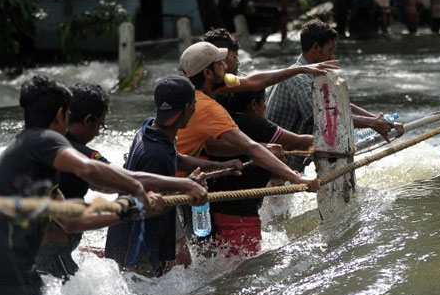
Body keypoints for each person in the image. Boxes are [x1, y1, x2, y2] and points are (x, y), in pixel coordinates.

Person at [0, 76, 201, 295]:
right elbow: (90, 170)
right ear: (61, 114)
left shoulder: (26, 155)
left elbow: (71, 221)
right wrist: (142, 188)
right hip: (4, 268)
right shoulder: (44, 140)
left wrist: (132, 210)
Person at [105, 75, 241, 277]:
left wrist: (219, 165)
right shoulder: (154, 155)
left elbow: (177, 158)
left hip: (138, 232)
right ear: (187, 109)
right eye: (194, 104)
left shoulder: (152, 128)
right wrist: (188, 187)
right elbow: (152, 204)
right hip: (138, 242)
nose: (195, 109)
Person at [175, 41, 320, 190]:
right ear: (208, 73)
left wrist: (299, 70)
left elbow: (254, 81)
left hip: (172, 174)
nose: (225, 66)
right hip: (170, 181)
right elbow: (251, 148)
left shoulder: (185, 90)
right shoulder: (208, 108)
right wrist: (297, 178)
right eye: (220, 64)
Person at [265, 19, 404, 172]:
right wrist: (372, 124)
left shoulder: (310, 75)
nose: (332, 56)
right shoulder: (299, 79)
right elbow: (324, 117)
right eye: (330, 50)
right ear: (316, 48)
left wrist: (378, 120)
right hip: (274, 167)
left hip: (289, 164)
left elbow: (339, 106)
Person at [209, 90, 313, 257]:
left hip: (214, 210)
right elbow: (300, 141)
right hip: (239, 216)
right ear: (254, 105)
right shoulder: (253, 123)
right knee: (245, 267)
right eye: (264, 103)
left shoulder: (220, 124)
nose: (266, 107)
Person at [201, 28, 339, 93]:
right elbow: (255, 82)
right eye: (234, 57)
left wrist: (299, 69)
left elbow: (252, 80)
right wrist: (299, 69)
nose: (237, 62)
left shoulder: (223, 80)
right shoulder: (212, 82)